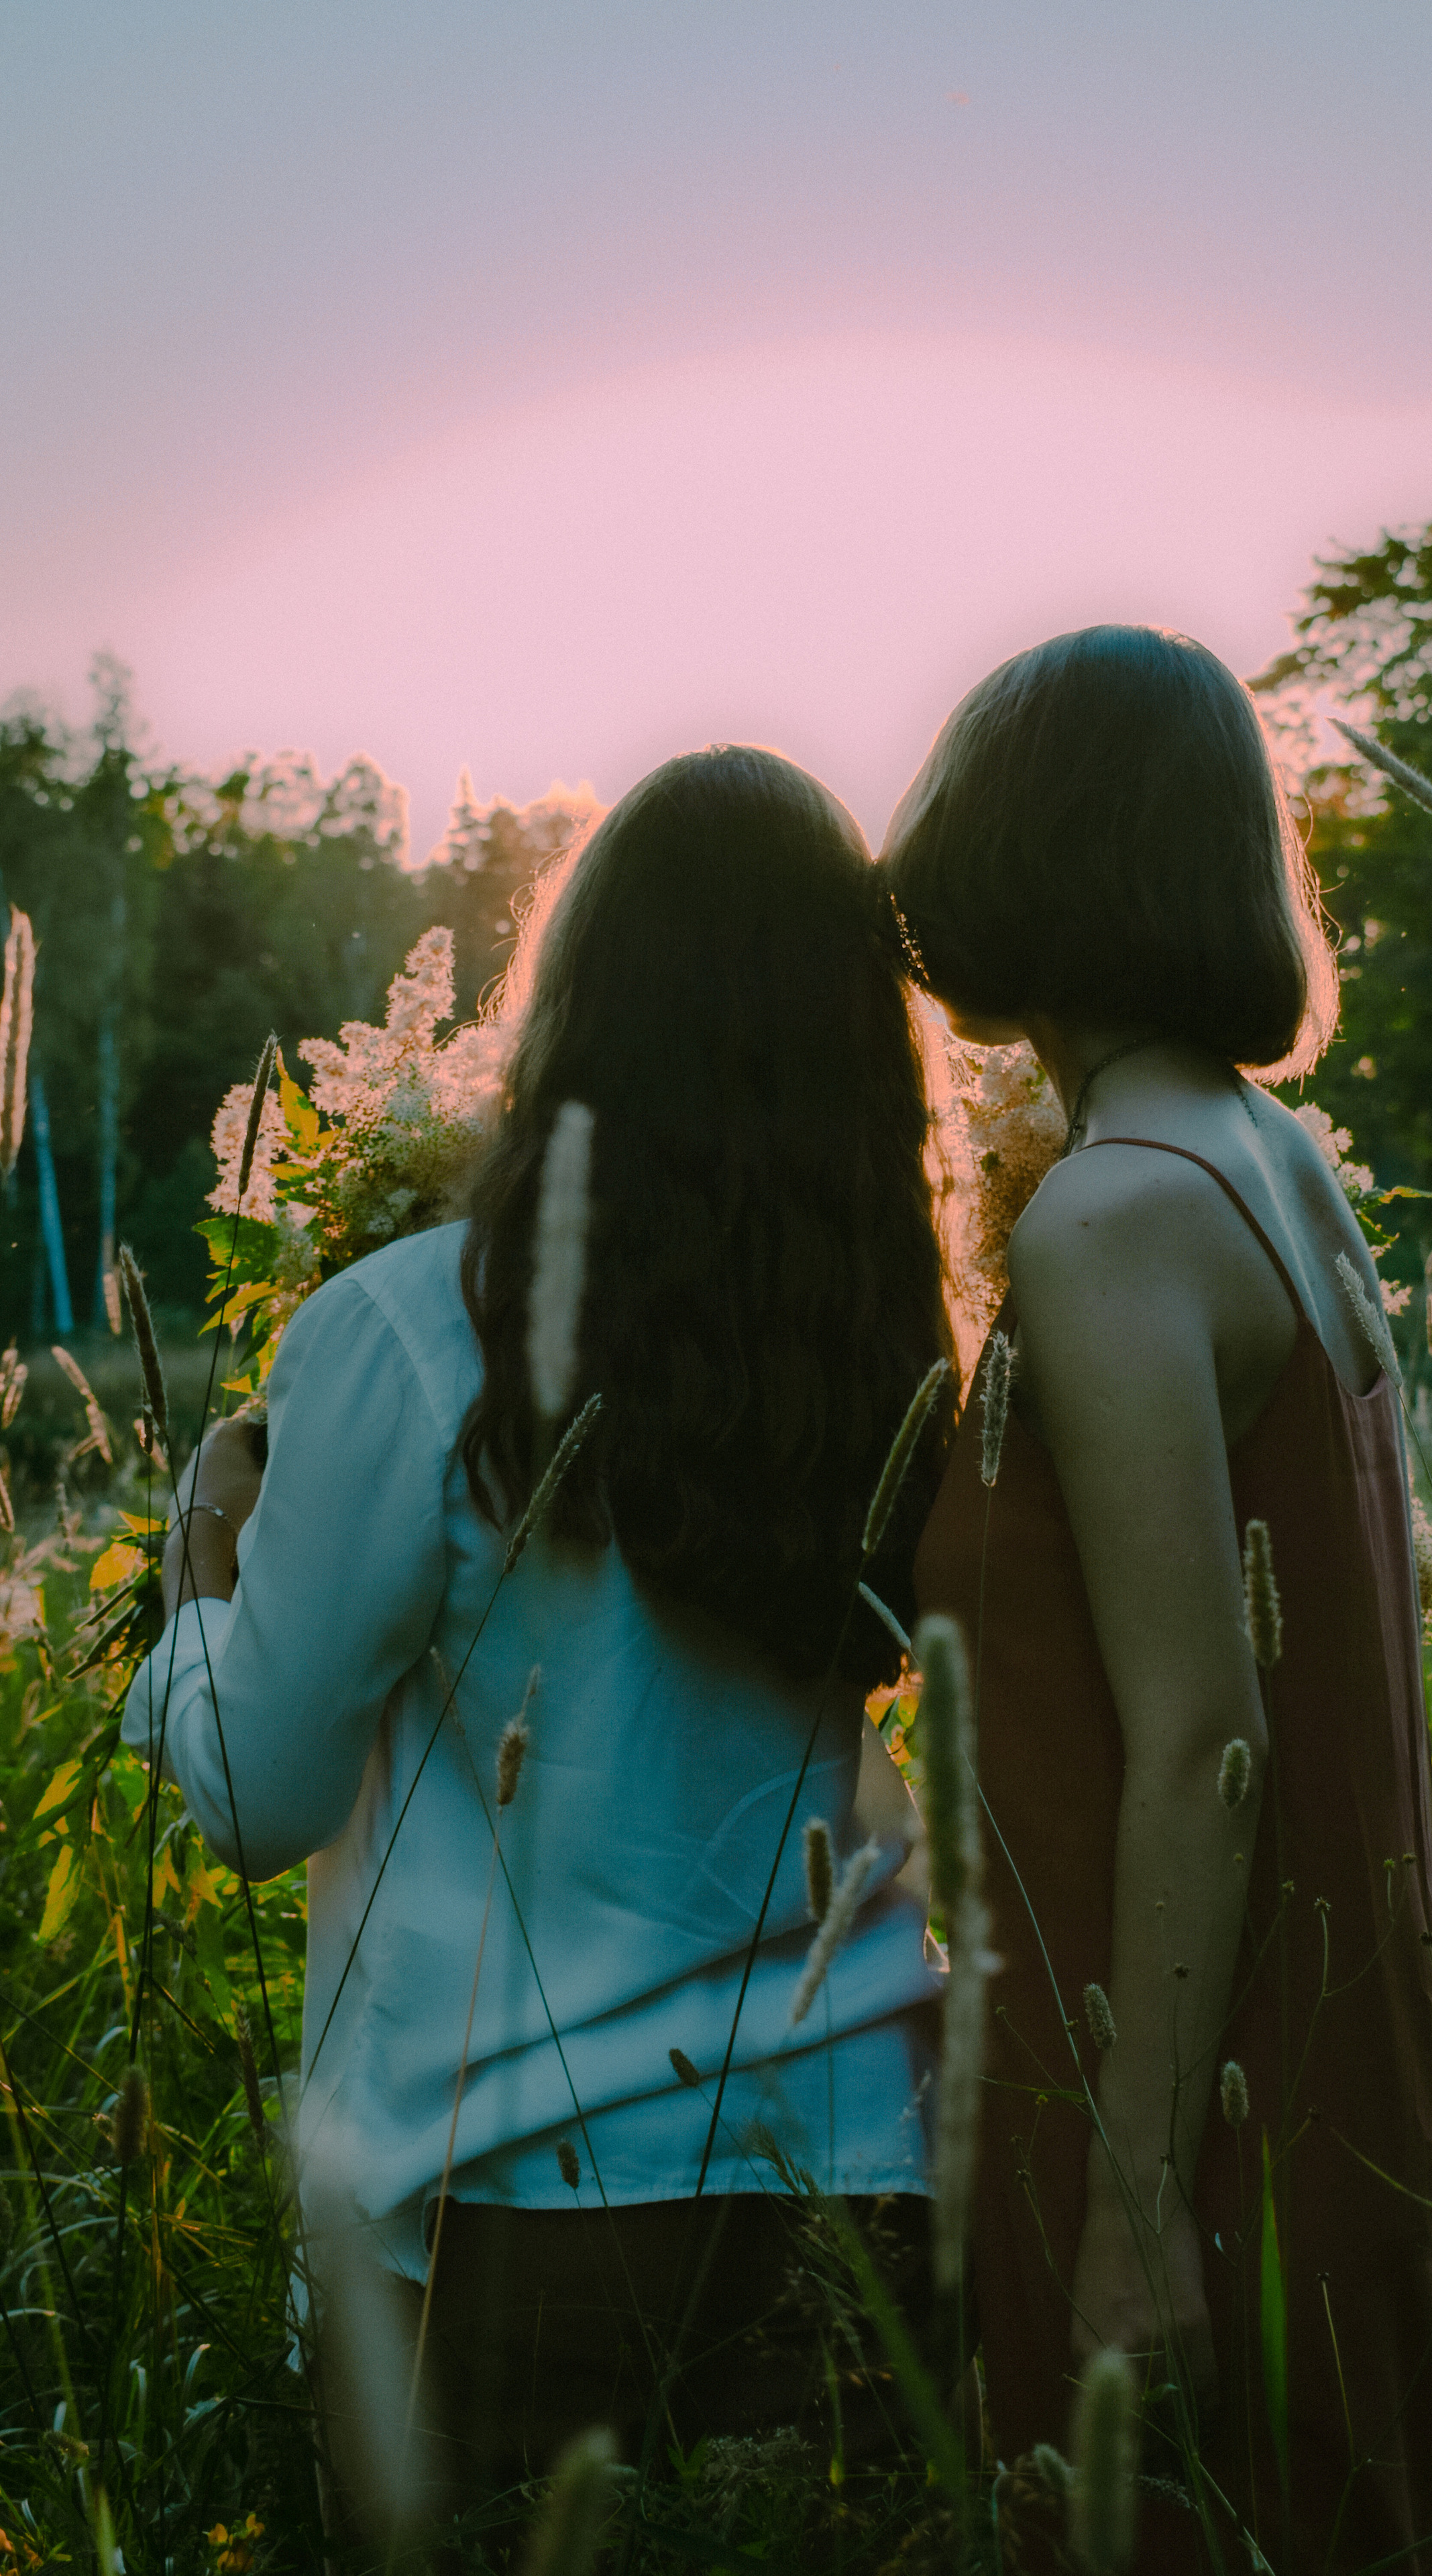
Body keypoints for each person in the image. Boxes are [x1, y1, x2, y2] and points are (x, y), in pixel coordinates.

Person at [123, 746, 955, 2555]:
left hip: (506, 2203)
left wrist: (200, 1587)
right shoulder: (901, 1351)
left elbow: (259, 1799)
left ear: (571, 1005)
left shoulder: (411, 1332)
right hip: (857, 2176)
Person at [885, 627, 1432, 2573]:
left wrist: (1136, 2203)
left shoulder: (1119, 1211)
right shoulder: (1268, 1155)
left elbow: (1205, 1738)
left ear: (1034, 855)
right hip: (1313, 2037)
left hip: (1178, 2080)